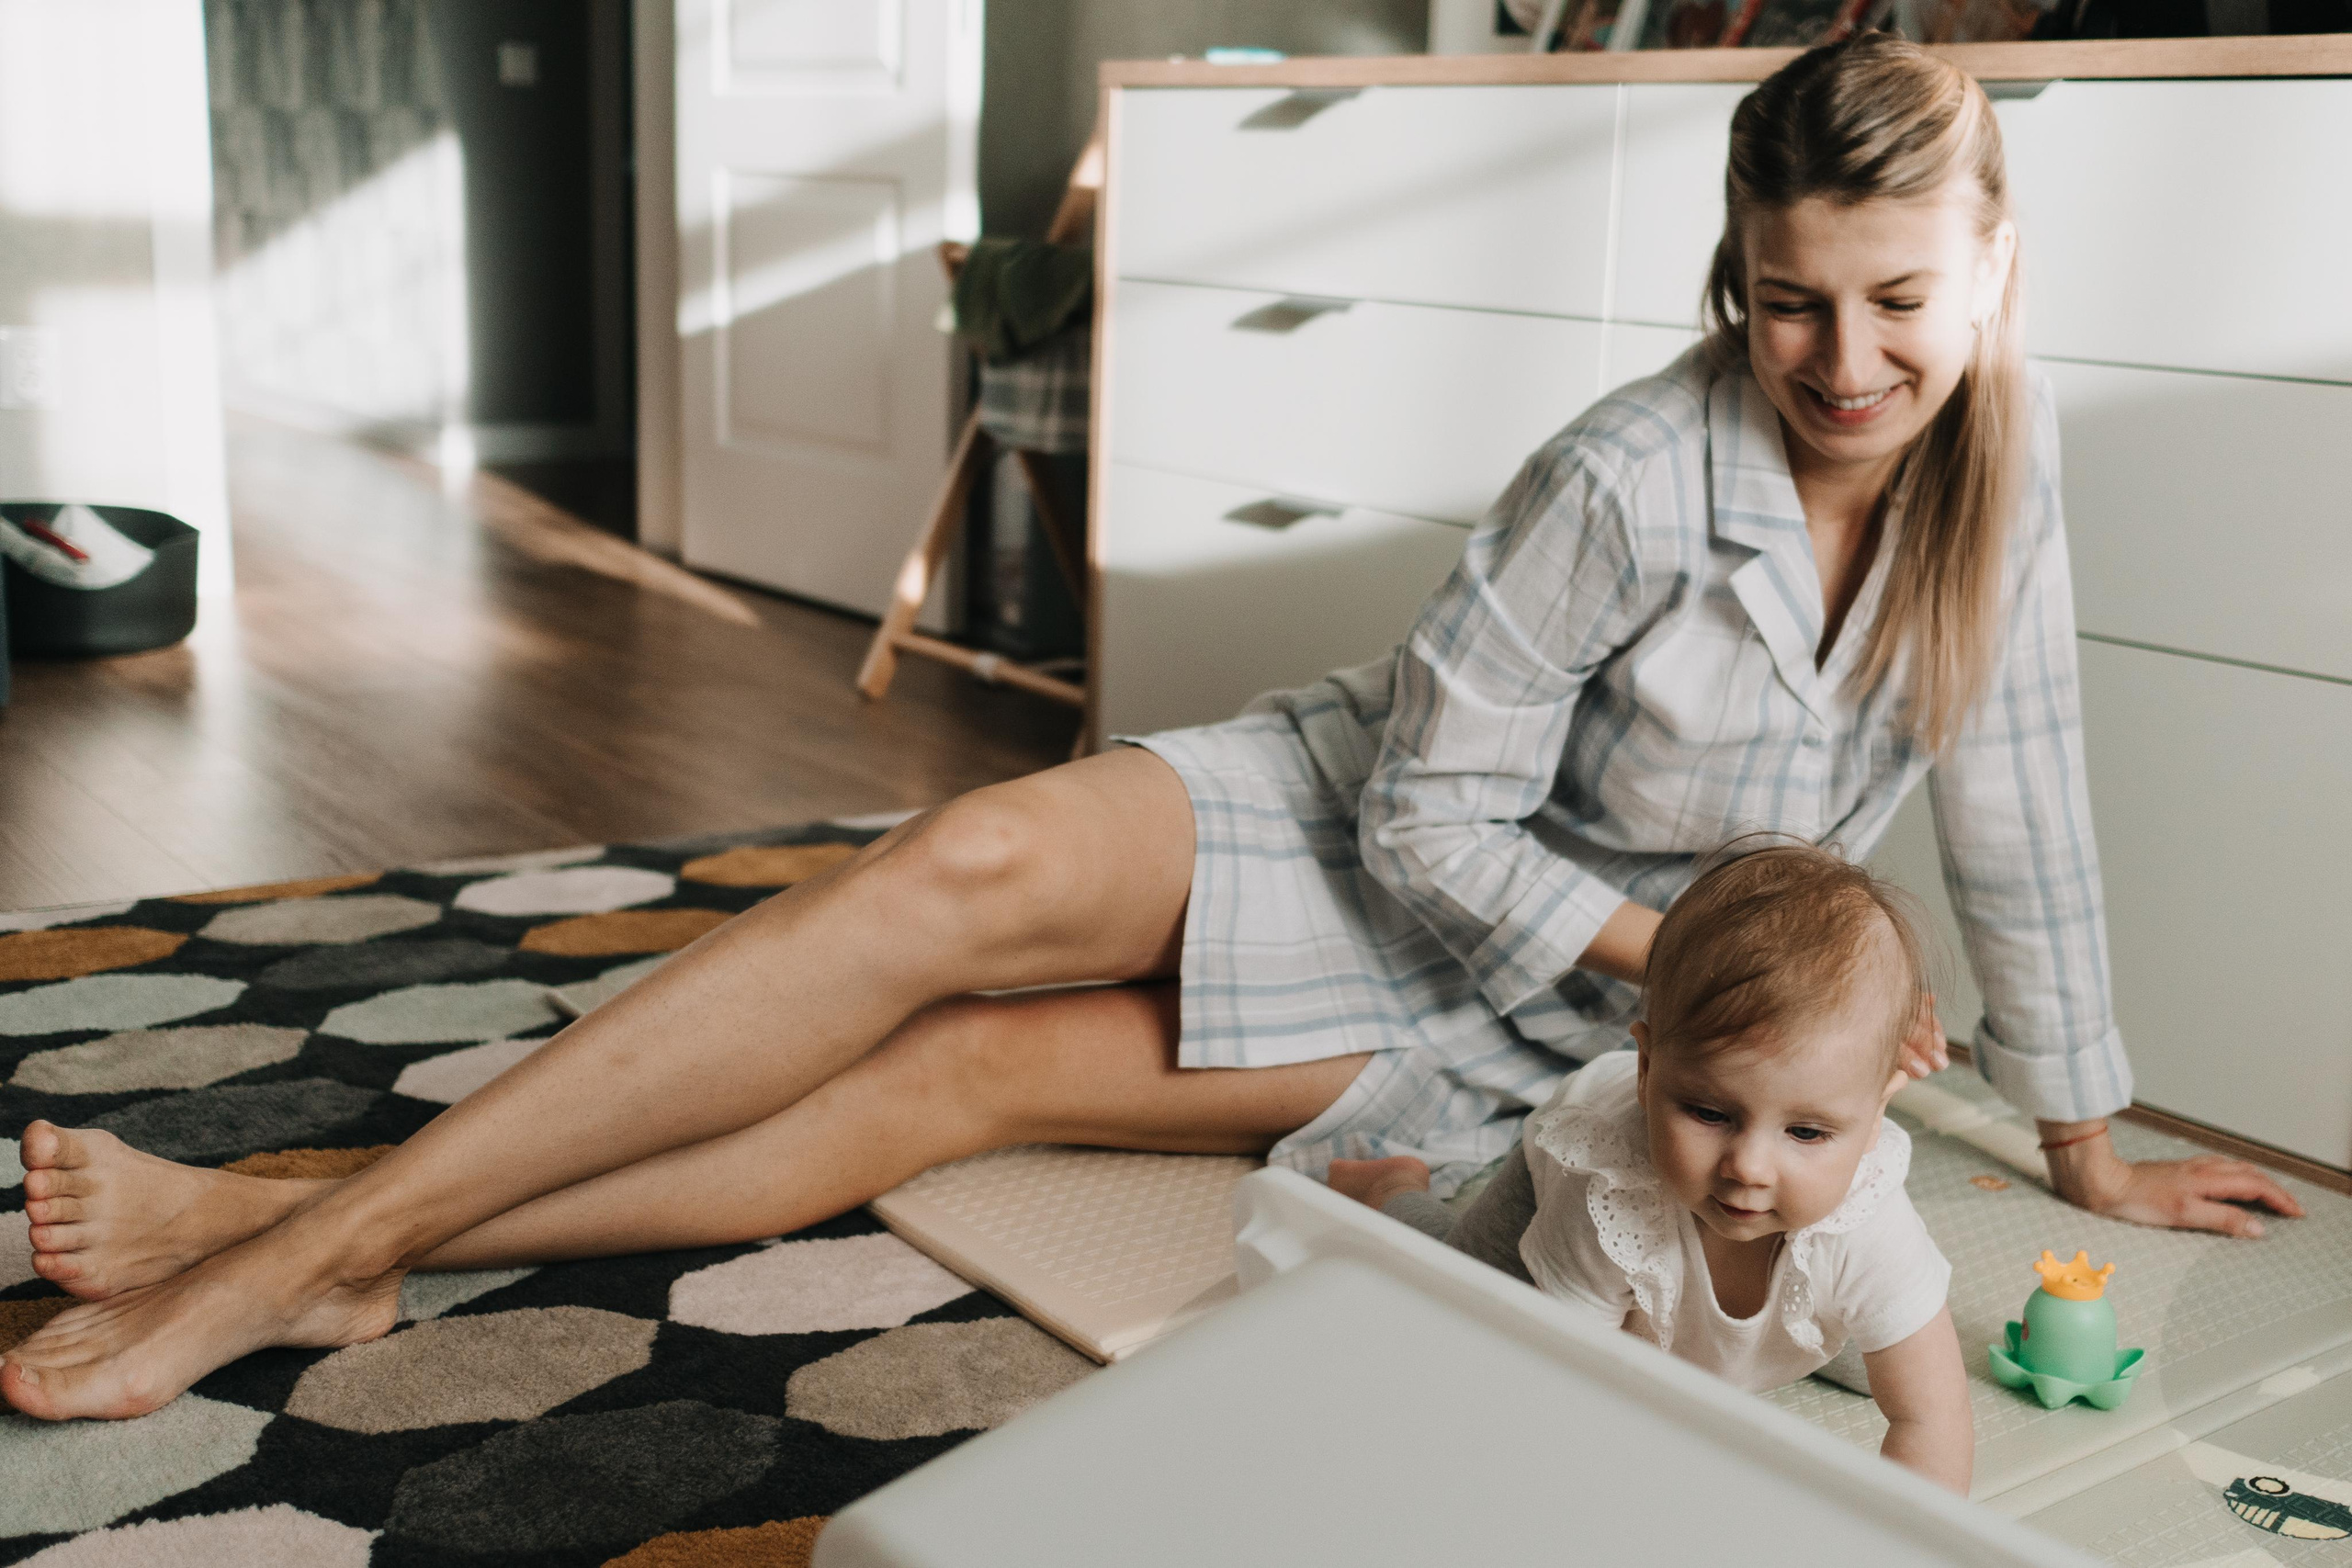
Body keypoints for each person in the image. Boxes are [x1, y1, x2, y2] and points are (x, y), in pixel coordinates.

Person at [4, 33, 2300, 1423]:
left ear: (1990, 268)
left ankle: (326, 1226)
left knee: (944, 1081)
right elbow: (1427, 807)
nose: (1844, 362)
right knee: (953, 869)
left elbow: (2021, 804)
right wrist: (1686, 953)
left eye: (1897, 302)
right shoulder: (1627, 468)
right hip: (1381, 815)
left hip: (1552, 1013)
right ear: (1735, 280)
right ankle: (297, 1247)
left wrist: (2082, 1135)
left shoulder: (2000, 482)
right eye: (1789, 303)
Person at [1334, 840, 1972, 1492]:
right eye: (1709, 1113)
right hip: (1573, 1200)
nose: (1749, 1167)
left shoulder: (1870, 1223)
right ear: (1646, 1070)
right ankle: (1390, 1187)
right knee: (1461, 1303)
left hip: (1768, 1266)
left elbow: (1933, 1419)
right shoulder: (1603, 1187)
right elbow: (1559, 1393)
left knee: (1894, 1355)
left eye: (1806, 1132)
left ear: (1876, 1113)